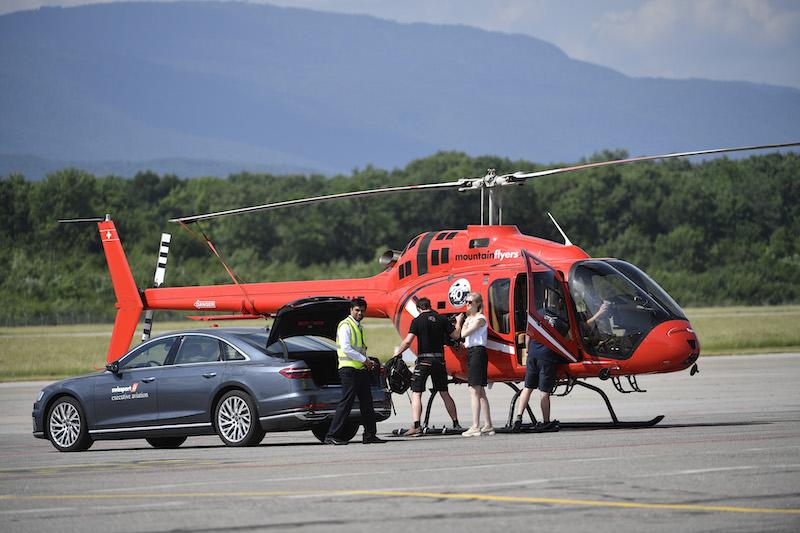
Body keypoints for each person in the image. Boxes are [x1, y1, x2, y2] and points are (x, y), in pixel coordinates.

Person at [393, 297, 461, 437]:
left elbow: (408, 341)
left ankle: (417, 426)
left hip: (424, 360)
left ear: (418, 308)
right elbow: (456, 335)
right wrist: (459, 322)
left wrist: (397, 354)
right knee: (444, 392)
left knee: (417, 393)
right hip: (439, 361)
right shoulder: (442, 319)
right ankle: (456, 423)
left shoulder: (417, 321)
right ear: (430, 306)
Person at [325, 298, 386, 445]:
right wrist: (364, 360)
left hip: (360, 369)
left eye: (362, 311)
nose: (360, 313)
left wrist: (368, 361)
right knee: (346, 403)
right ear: (351, 310)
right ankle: (331, 435)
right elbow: (346, 348)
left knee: (367, 403)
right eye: (357, 310)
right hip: (349, 370)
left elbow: (359, 349)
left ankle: (370, 435)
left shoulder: (358, 327)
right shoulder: (346, 325)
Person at [512, 290, 575, 432]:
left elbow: (528, 335)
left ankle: (518, 418)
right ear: (560, 303)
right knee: (544, 391)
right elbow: (569, 339)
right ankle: (546, 421)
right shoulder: (561, 321)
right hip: (547, 358)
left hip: (532, 354)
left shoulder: (538, 313)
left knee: (527, 387)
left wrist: (528, 351)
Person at [457, 292, 495, 436]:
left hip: (478, 352)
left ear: (478, 303)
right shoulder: (471, 319)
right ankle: (488, 424)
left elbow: (464, 334)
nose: (467, 304)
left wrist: (462, 322)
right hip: (472, 352)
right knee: (481, 392)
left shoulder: (480, 319)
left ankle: (475, 426)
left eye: (470, 302)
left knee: (474, 391)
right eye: (466, 302)